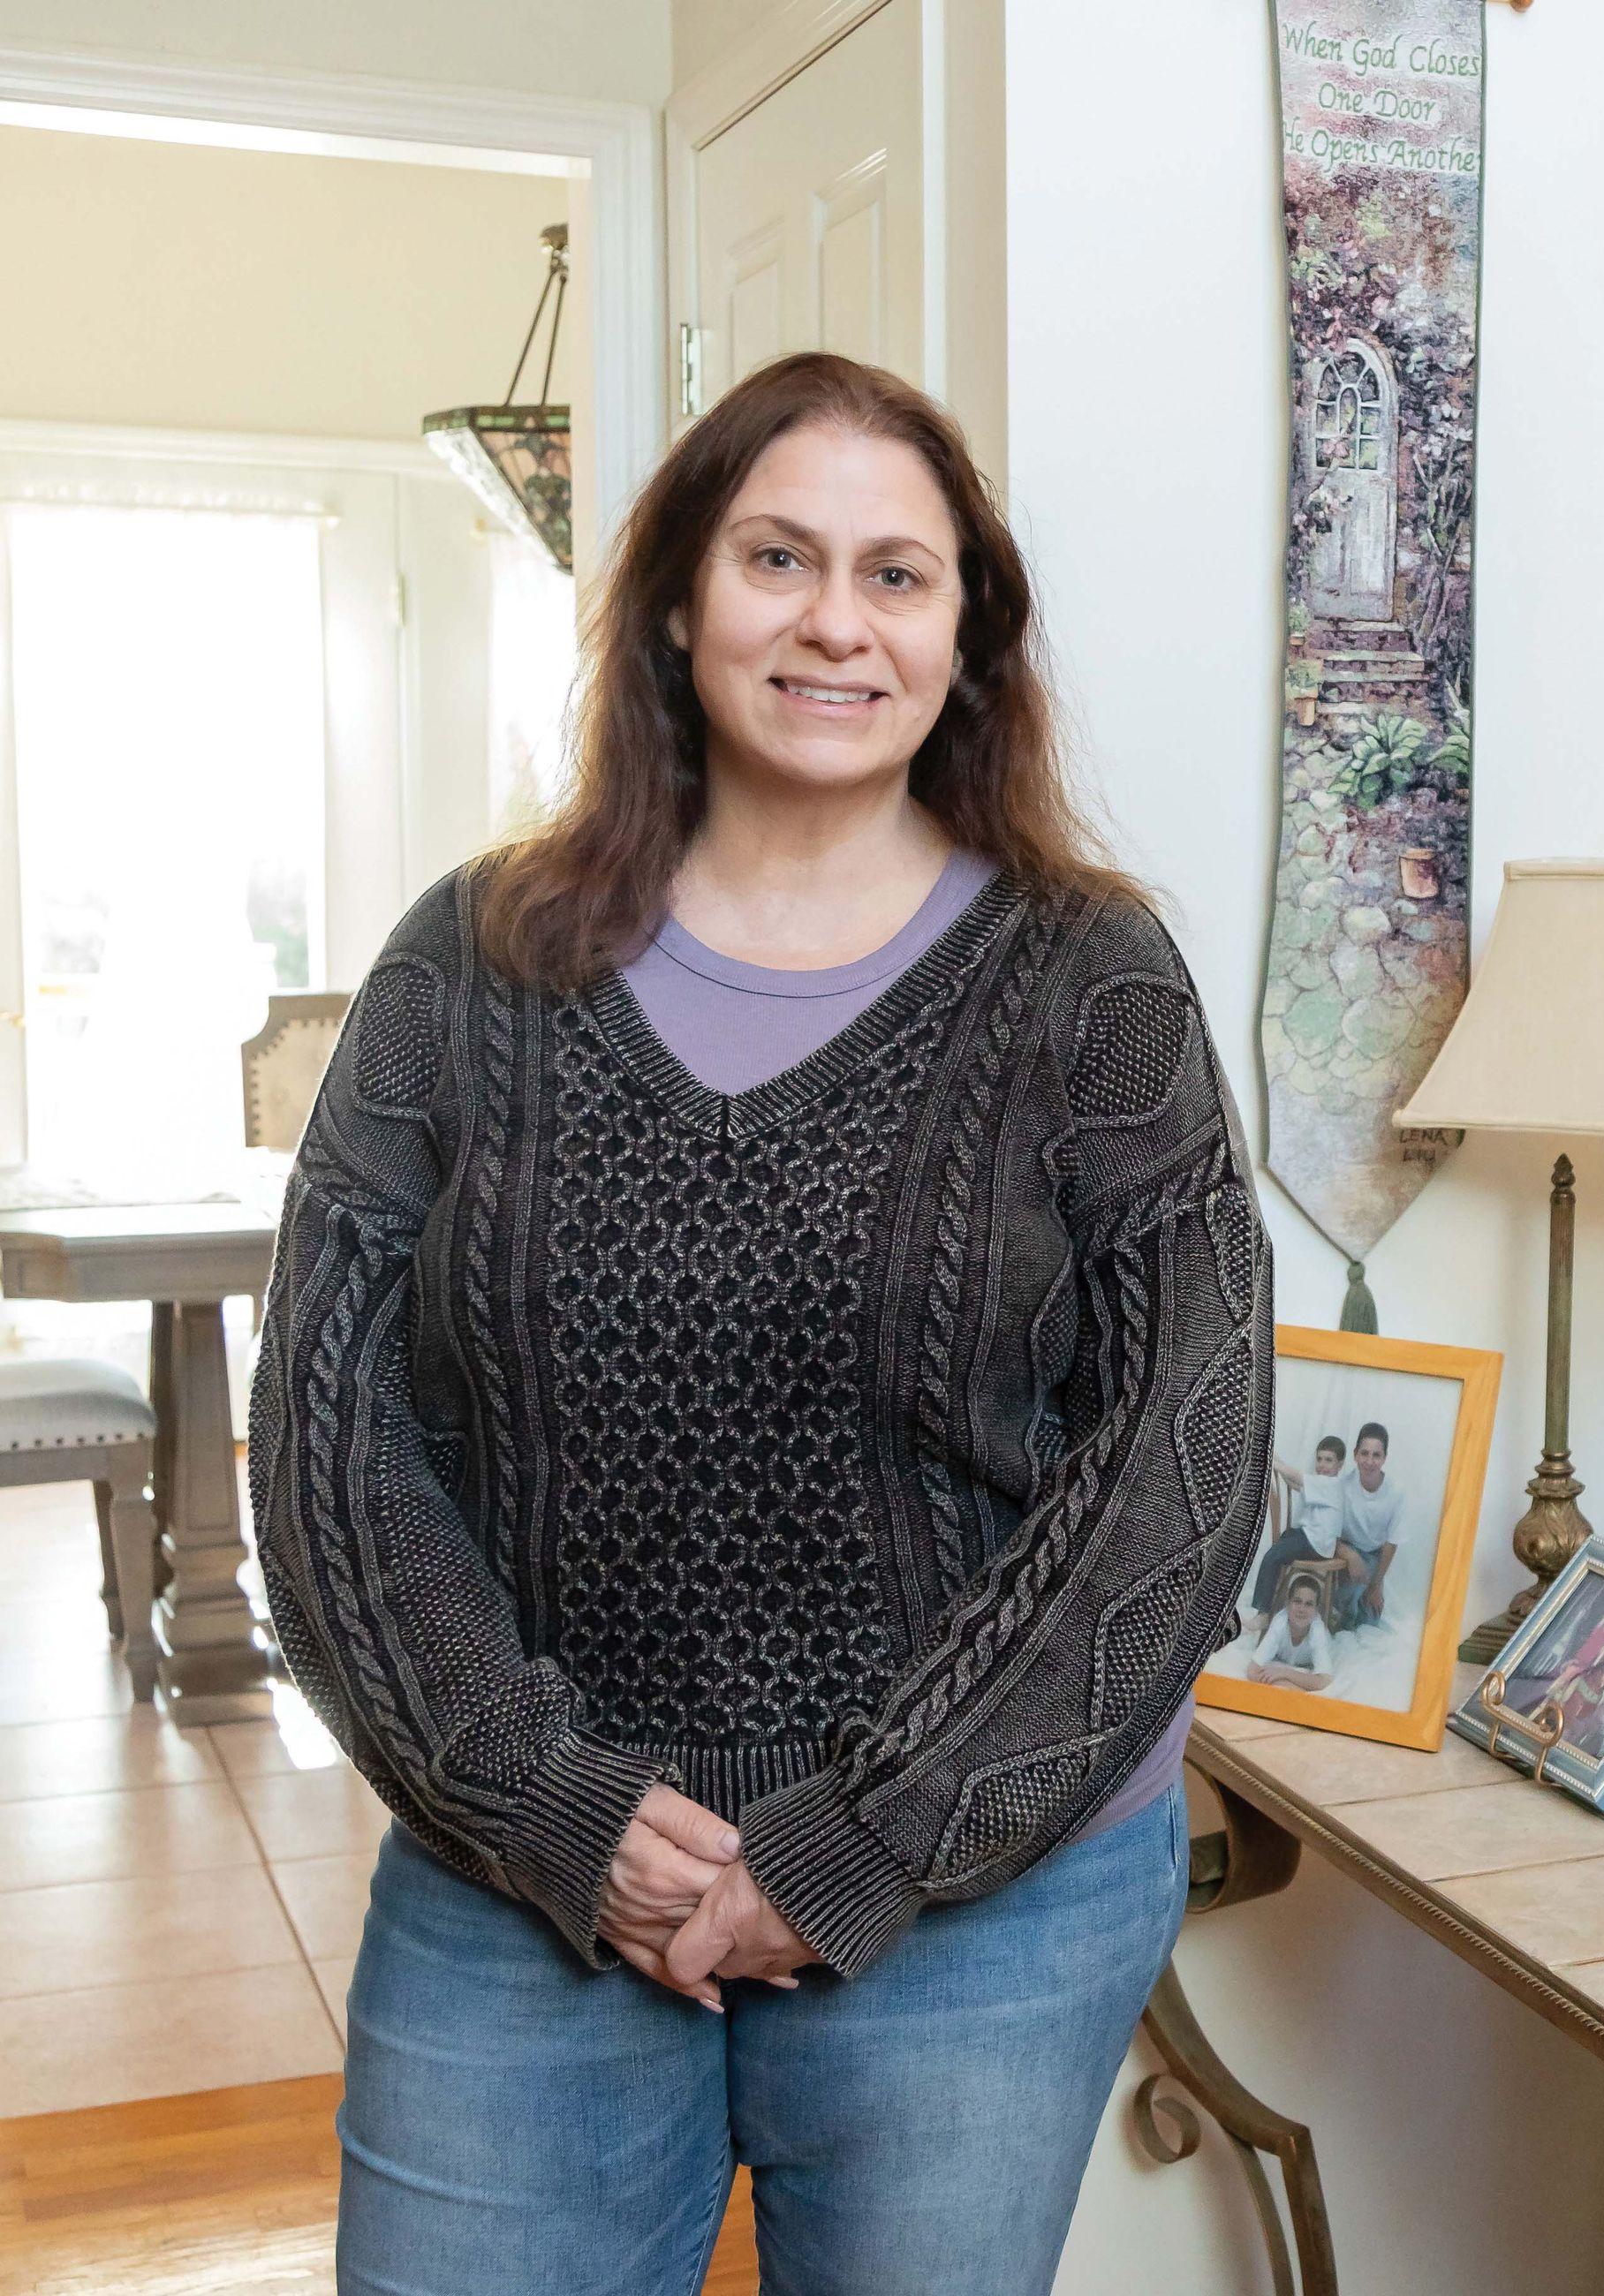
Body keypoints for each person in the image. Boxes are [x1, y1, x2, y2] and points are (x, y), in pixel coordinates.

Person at [249, 351, 1276, 2296]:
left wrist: (861, 1844)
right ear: (672, 601)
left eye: (898, 576)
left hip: (986, 1892)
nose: (834, 621)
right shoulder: (464, 965)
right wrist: (545, 1802)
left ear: (966, 638)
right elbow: (327, 1430)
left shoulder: (1089, 978)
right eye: (778, 557)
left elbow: (1184, 1453)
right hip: (524, 1880)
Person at [1246, 1436, 1347, 1629]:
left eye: (1329, 1460)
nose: (1322, 1465)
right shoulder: (1322, 1484)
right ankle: (1273, 1598)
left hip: (1315, 1542)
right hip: (1310, 1537)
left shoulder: (1332, 1485)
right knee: (1283, 1540)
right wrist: (1278, 1460)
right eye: (1319, 1459)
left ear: (1340, 1464)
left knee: (1273, 1555)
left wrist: (1272, 1461)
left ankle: (1263, 1613)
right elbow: (1294, 1484)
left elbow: (1297, 1477)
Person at [1332, 1422, 1406, 1628]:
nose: (1369, 1461)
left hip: (1375, 1555)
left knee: (1369, 1621)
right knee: (1345, 1610)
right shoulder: (1342, 1486)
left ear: (1384, 1458)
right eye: (1364, 1454)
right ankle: (1340, 1610)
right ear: (1355, 1454)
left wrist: (1376, 1585)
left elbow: (1392, 1543)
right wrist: (1350, 1555)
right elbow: (1329, 1534)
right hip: (1346, 1551)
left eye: (1376, 1455)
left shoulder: (1396, 1492)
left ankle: (1360, 1600)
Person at [1247, 1577, 1336, 1693]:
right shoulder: (1280, 1623)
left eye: (1309, 1604)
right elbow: (1252, 1671)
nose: (1302, 1609)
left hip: (1308, 1661)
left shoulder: (1318, 1631)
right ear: (1288, 1603)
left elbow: (1324, 1680)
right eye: (1297, 1601)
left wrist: (1283, 1673)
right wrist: (1288, 1685)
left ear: (1316, 1610)